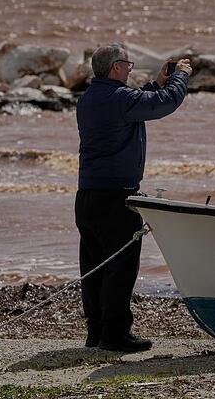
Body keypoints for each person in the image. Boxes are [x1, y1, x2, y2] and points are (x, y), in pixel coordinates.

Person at [75, 43, 192, 353]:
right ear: (115, 67)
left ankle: (97, 333)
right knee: (121, 267)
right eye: (128, 63)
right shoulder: (119, 99)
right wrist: (181, 76)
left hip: (87, 196)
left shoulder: (89, 99)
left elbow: (144, 101)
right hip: (115, 197)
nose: (130, 68)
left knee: (95, 266)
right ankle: (114, 335)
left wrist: (156, 83)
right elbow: (166, 103)